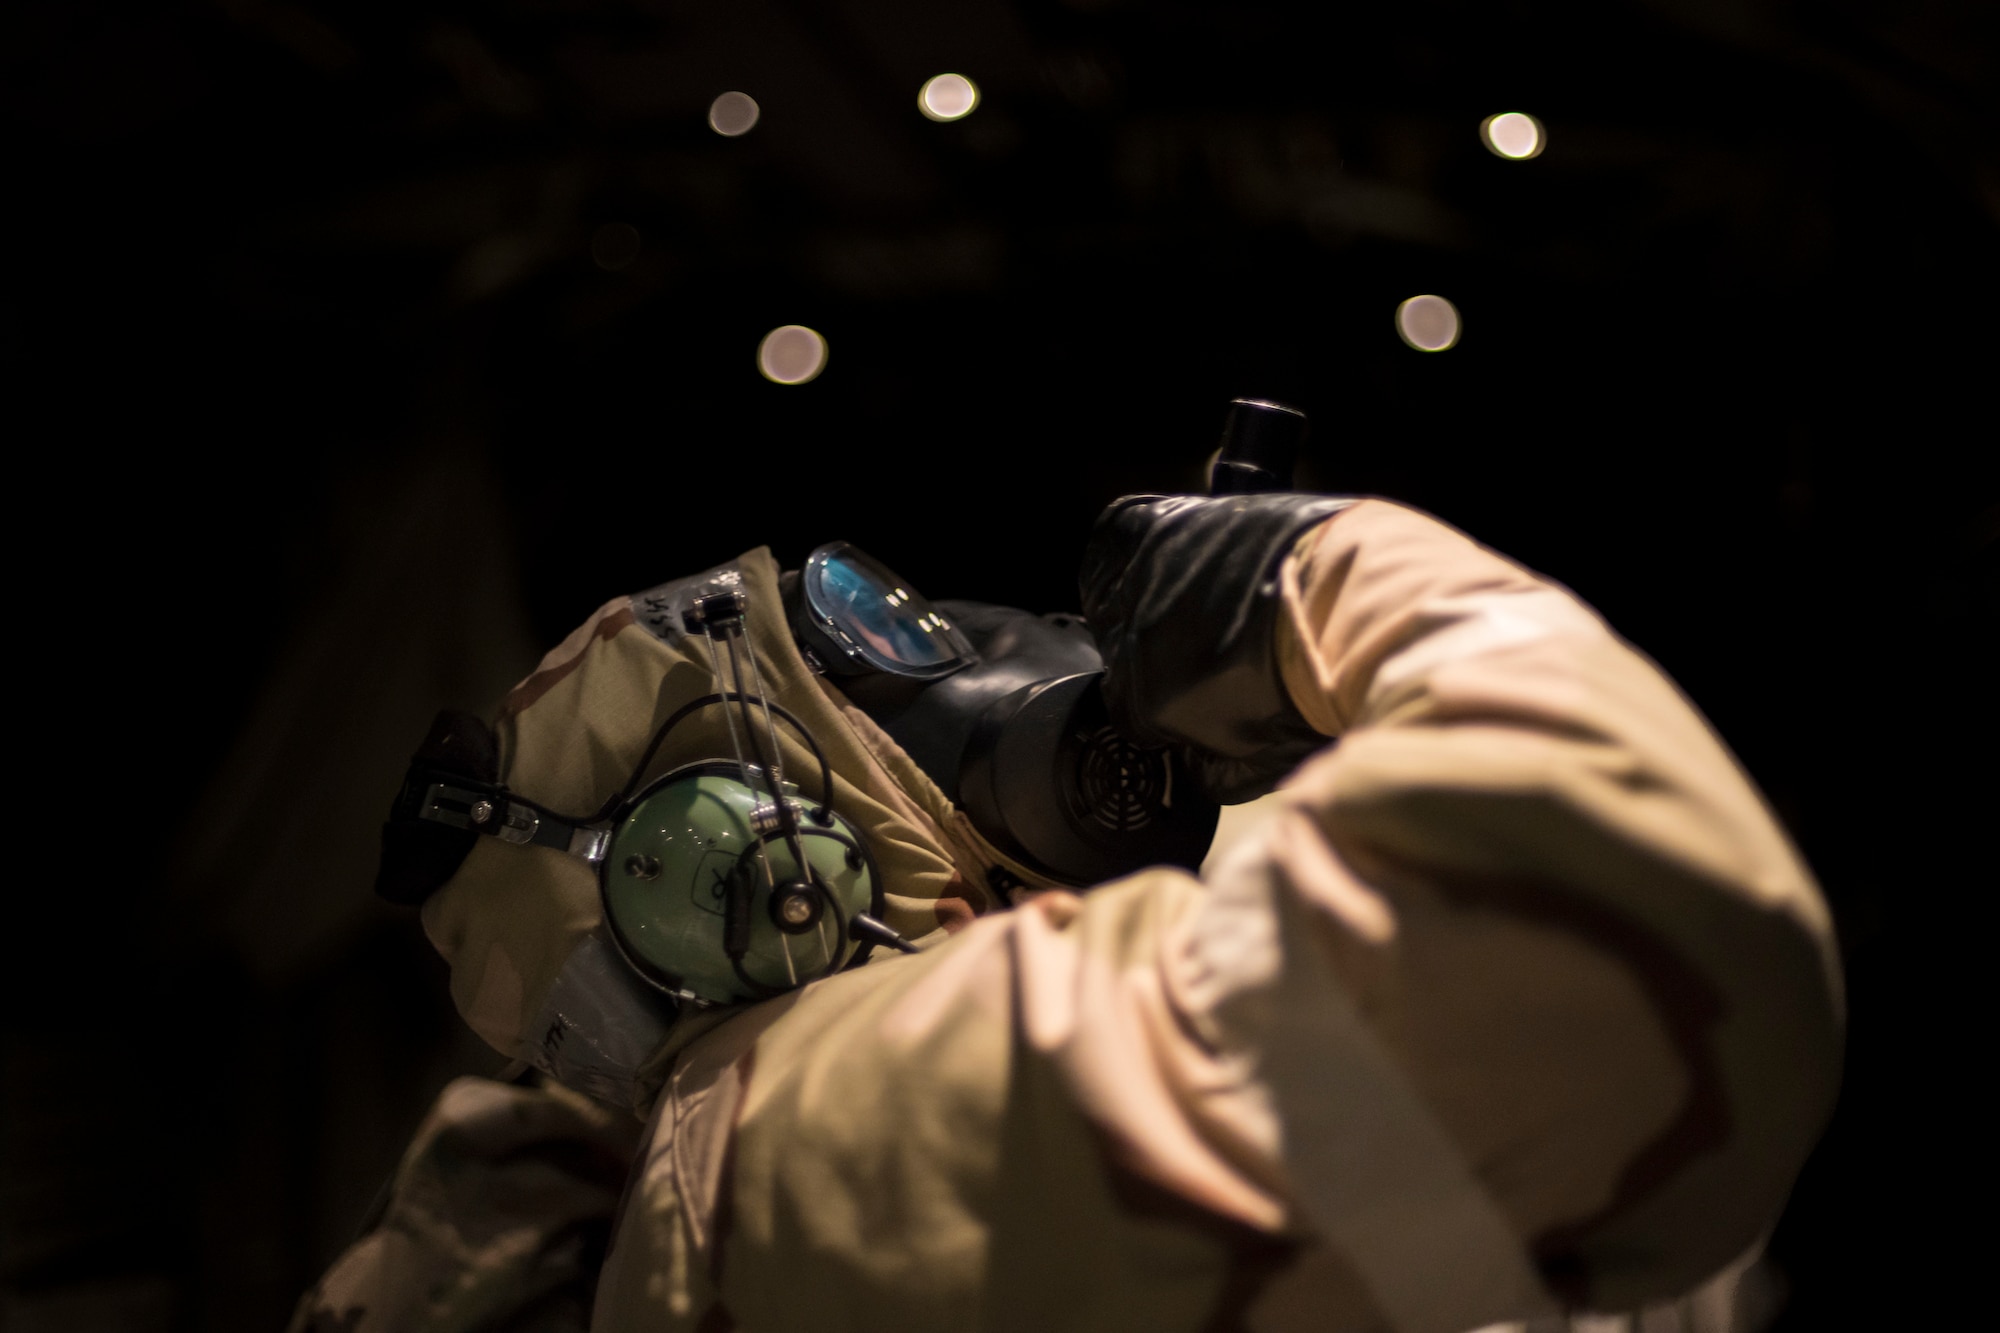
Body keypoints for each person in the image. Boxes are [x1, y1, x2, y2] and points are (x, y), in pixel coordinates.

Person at [292, 489, 1842, 1333]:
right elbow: (1652, 927)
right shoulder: (813, 1105)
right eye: (872, 639)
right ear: (725, 869)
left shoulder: (858, 1099)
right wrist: (1325, 577)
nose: (995, 638)